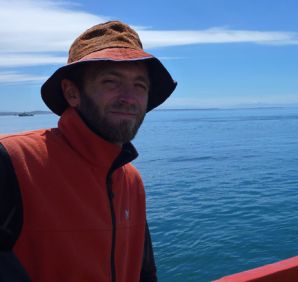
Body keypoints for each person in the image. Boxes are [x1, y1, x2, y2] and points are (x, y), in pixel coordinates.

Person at [0, 21, 176, 281]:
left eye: (140, 85)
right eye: (110, 81)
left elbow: (144, 273)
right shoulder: (14, 161)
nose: (129, 98)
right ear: (72, 93)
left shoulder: (131, 181)